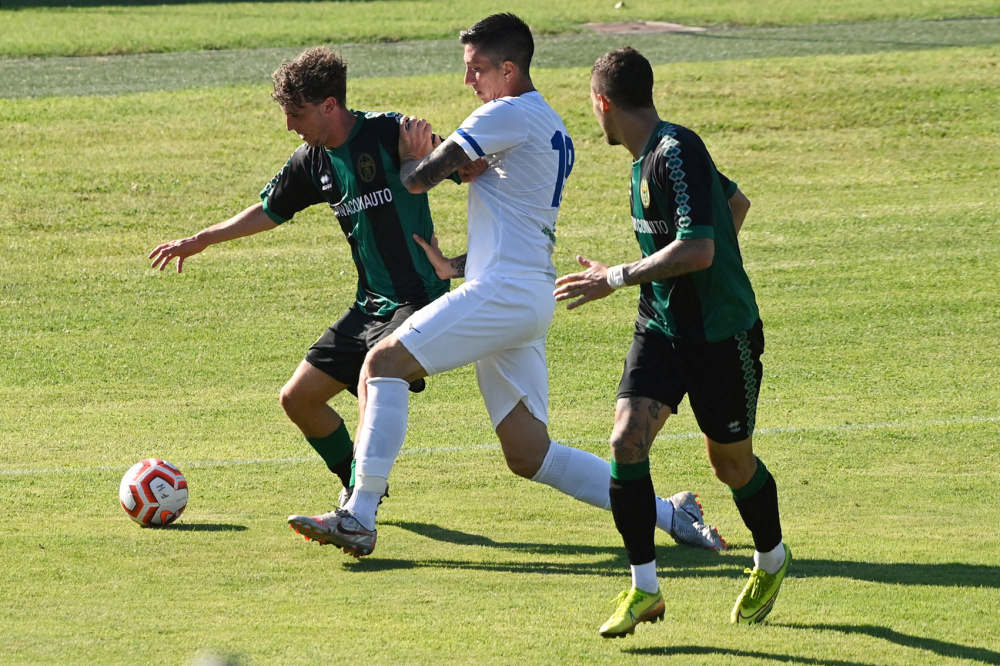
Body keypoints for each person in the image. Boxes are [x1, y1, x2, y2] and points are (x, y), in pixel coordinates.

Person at [286, 14, 726, 558]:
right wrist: (459, 263)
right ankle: (670, 512)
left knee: (380, 363)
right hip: (522, 292)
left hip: (506, 293)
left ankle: (359, 513)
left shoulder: (505, 112)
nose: (469, 82)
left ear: (508, 68)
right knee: (528, 453)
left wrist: (410, 155)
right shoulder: (550, 124)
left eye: (476, 70)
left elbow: (421, 177)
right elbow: (518, 221)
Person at [148, 46, 457, 520]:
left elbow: (472, 167)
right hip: (369, 305)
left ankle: (359, 508)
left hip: (418, 299)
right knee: (299, 399)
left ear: (329, 105)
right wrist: (201, 239)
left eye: (296, 114)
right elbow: (271, 211)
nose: (290, 125)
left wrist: (429, 168)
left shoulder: (391, 132)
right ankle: (357, 481)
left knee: (374, 377)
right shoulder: (312, 160)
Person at [554, 47, 790, 637]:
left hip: (719, 335)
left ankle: (771, 558)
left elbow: (702, 247)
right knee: (626, 440)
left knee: (730, 465)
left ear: (603, 102)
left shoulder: (675, 151)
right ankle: (644, 589)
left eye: (591, 104)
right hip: (660, 327)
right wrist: (668, 277)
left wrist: (618, 276)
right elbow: (733, 203)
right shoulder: (642, 162)